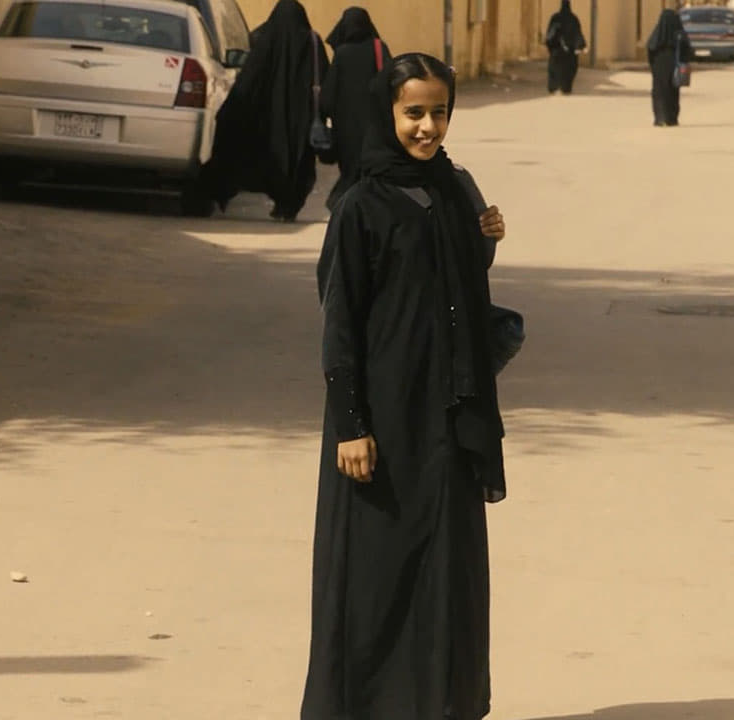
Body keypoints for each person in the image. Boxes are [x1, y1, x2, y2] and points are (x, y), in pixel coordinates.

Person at [302, 53, 509, 720]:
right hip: (384, 419)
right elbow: (341, 324)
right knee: (378, 574)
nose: (428, 127)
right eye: (413, 113)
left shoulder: (451, 188)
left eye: (439, 112)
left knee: (446, 568)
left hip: (446, 415)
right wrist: (351, 425)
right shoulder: (360, 206)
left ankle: (442, 704)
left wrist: (483, 240)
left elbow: (450, 285)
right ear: (387, 114)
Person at [199, 0, 328, 221]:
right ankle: (287, 206)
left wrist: (232, 108)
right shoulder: (312, 42)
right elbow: (325, 77)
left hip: (266, 119)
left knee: (253, 154)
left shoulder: (267, 39)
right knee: (297, 162)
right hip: (300, 120)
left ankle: (214, 193)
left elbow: (249, 77)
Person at [319, 7, 393, 211]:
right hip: (375, 125)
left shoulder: (342, 54)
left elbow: (328, 95)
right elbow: (392, 81)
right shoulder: (379, 48)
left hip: (346, 129)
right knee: (370, 168)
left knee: (350, 168)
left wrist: (323, 115)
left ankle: (342, 201)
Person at [646, 8, 693, 127]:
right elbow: (688, 52)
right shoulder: (680, 36)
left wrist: (654, 67)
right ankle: (672, 118)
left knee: (659, 92)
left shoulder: (656, 37)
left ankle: (660, 118)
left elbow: (650, 51)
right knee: (672, 93)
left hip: (659, 70)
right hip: (675, 69)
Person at [545, 0, 587, 94]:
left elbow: (550, 34)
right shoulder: (573, 18)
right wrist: (581, 46)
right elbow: (577, 33)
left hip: (556, 50)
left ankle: (553, 87)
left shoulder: (556, 18)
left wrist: (550, 45)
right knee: (569, 70)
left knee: (555, 69)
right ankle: (566, 88)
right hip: (569, 51)